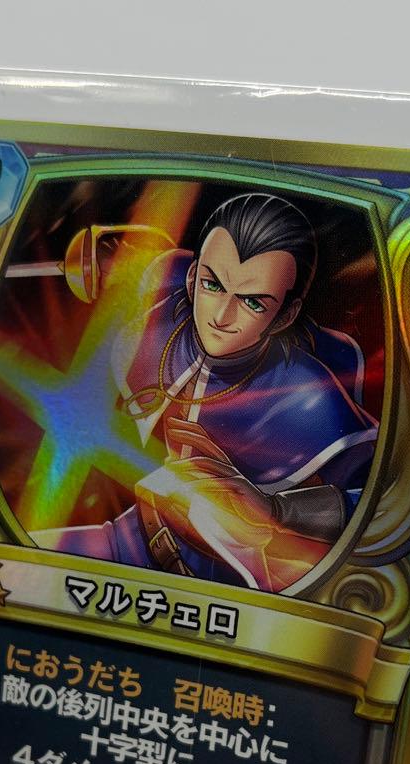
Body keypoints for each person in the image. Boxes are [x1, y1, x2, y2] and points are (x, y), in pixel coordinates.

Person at [33, 192, 378, 593]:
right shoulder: (167, 294)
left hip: (217, 590)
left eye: (252, 303)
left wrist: (277, 510)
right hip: (130, 538)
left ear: (286, 314)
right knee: (16, 567)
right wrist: (99, 256)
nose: (221, 316)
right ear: (195, 276)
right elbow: (138, 260)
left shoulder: (308, 398)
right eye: (213, 285)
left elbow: (381, 505)